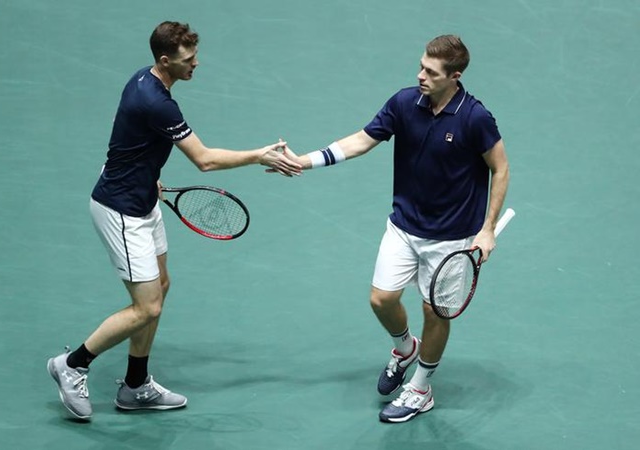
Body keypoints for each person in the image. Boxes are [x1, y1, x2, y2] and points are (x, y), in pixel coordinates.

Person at [47, 21, 302, 421]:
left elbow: (131, 142)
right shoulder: (158, 102)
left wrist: (148, 176)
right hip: (121, 211)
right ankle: (72, 364)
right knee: (146, 308)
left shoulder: (145, 81)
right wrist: (259, 155)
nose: (196, 64)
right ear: (165, 60)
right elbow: (204, 160)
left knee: (161, 286)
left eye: (195, 55)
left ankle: (135, 386)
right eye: (188, 59)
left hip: (145, 196)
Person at [279, 35, 509, 423]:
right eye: (421, 66)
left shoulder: (475, 118)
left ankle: (420, 388)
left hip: (452, 237)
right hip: (403, 226)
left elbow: (500, 168)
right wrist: (305, 161)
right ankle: (405, 348)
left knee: (435, 312)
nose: (420, 75)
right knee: (381, 300)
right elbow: (360, 141)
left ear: (454, 77)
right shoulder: (405, 102)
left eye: (431, 72)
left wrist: (486, 230)